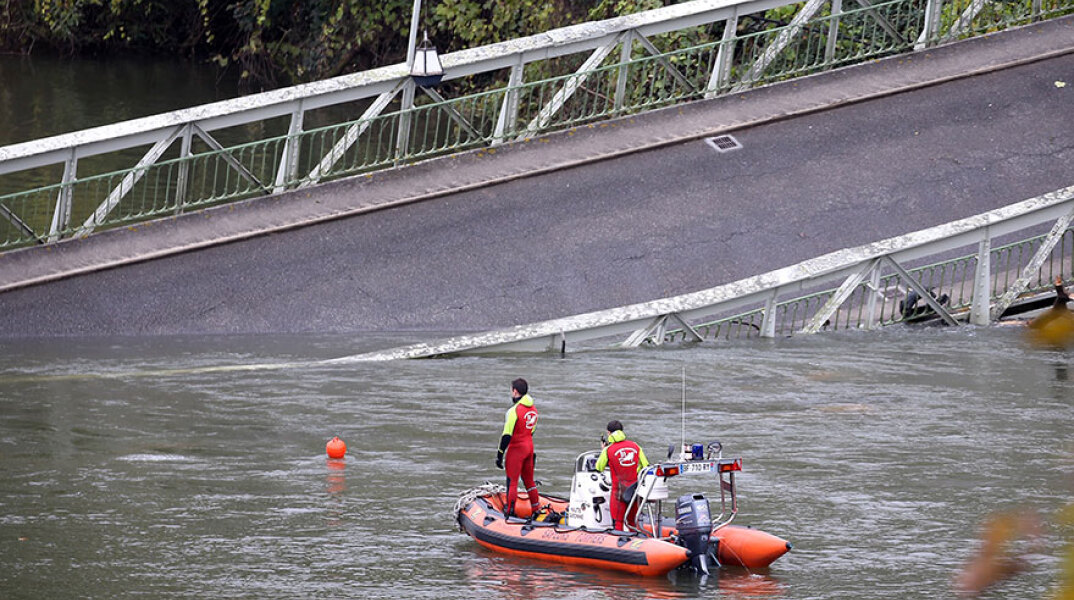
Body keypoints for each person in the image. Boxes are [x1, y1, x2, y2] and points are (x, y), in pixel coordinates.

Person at [495, 378, 540, 518]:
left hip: (516, 449)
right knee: (529, 481)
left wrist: (500, 455)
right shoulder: (534, 409)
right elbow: (532, 430)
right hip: (529, 447)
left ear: (515, 391)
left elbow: (507, 435)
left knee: (512, 481)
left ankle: (510, 512)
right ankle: (536, 510)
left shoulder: (514, 411)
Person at [595, 420, 650, 531]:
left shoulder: (608, 450)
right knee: (632, 523)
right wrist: (635, 471)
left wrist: (603, 450)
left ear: (609, 433)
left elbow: (599, 467)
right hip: (635, 491)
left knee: (618, 522)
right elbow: (645, 465)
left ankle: (619, 542)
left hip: (618, 493)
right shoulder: (635, 446)